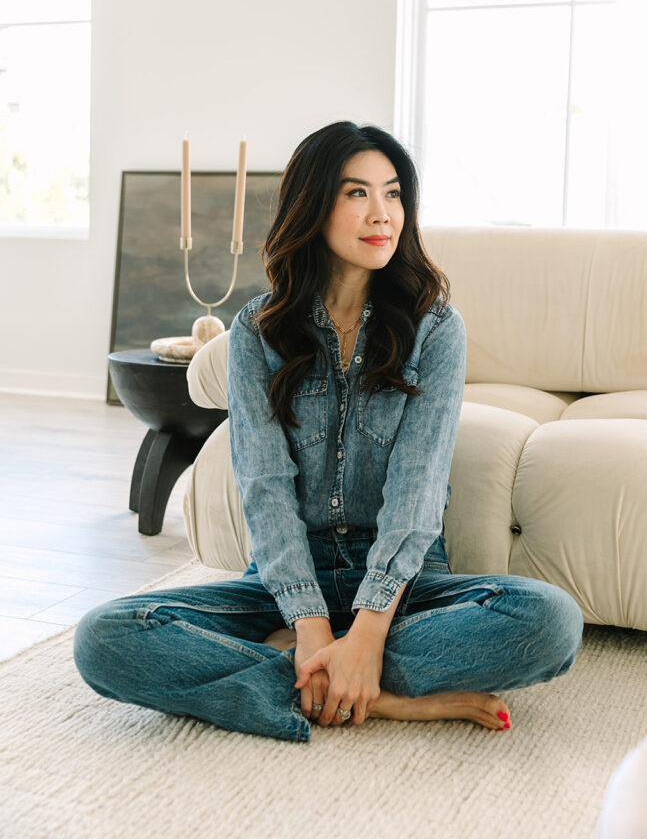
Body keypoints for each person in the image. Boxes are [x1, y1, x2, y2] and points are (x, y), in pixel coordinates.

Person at [73, 121, 584, 743]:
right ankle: (380, 694)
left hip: (405, 586)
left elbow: (418, 491)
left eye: (393, 194)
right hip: (284, 584)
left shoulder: (435, 327)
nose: (382, 214)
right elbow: (263, 489)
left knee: (550, 622)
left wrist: (368, 632)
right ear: (314, 205)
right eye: (356, 193)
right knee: (105, 639)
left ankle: (311, 673)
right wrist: (311, 623)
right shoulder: (257, 332)